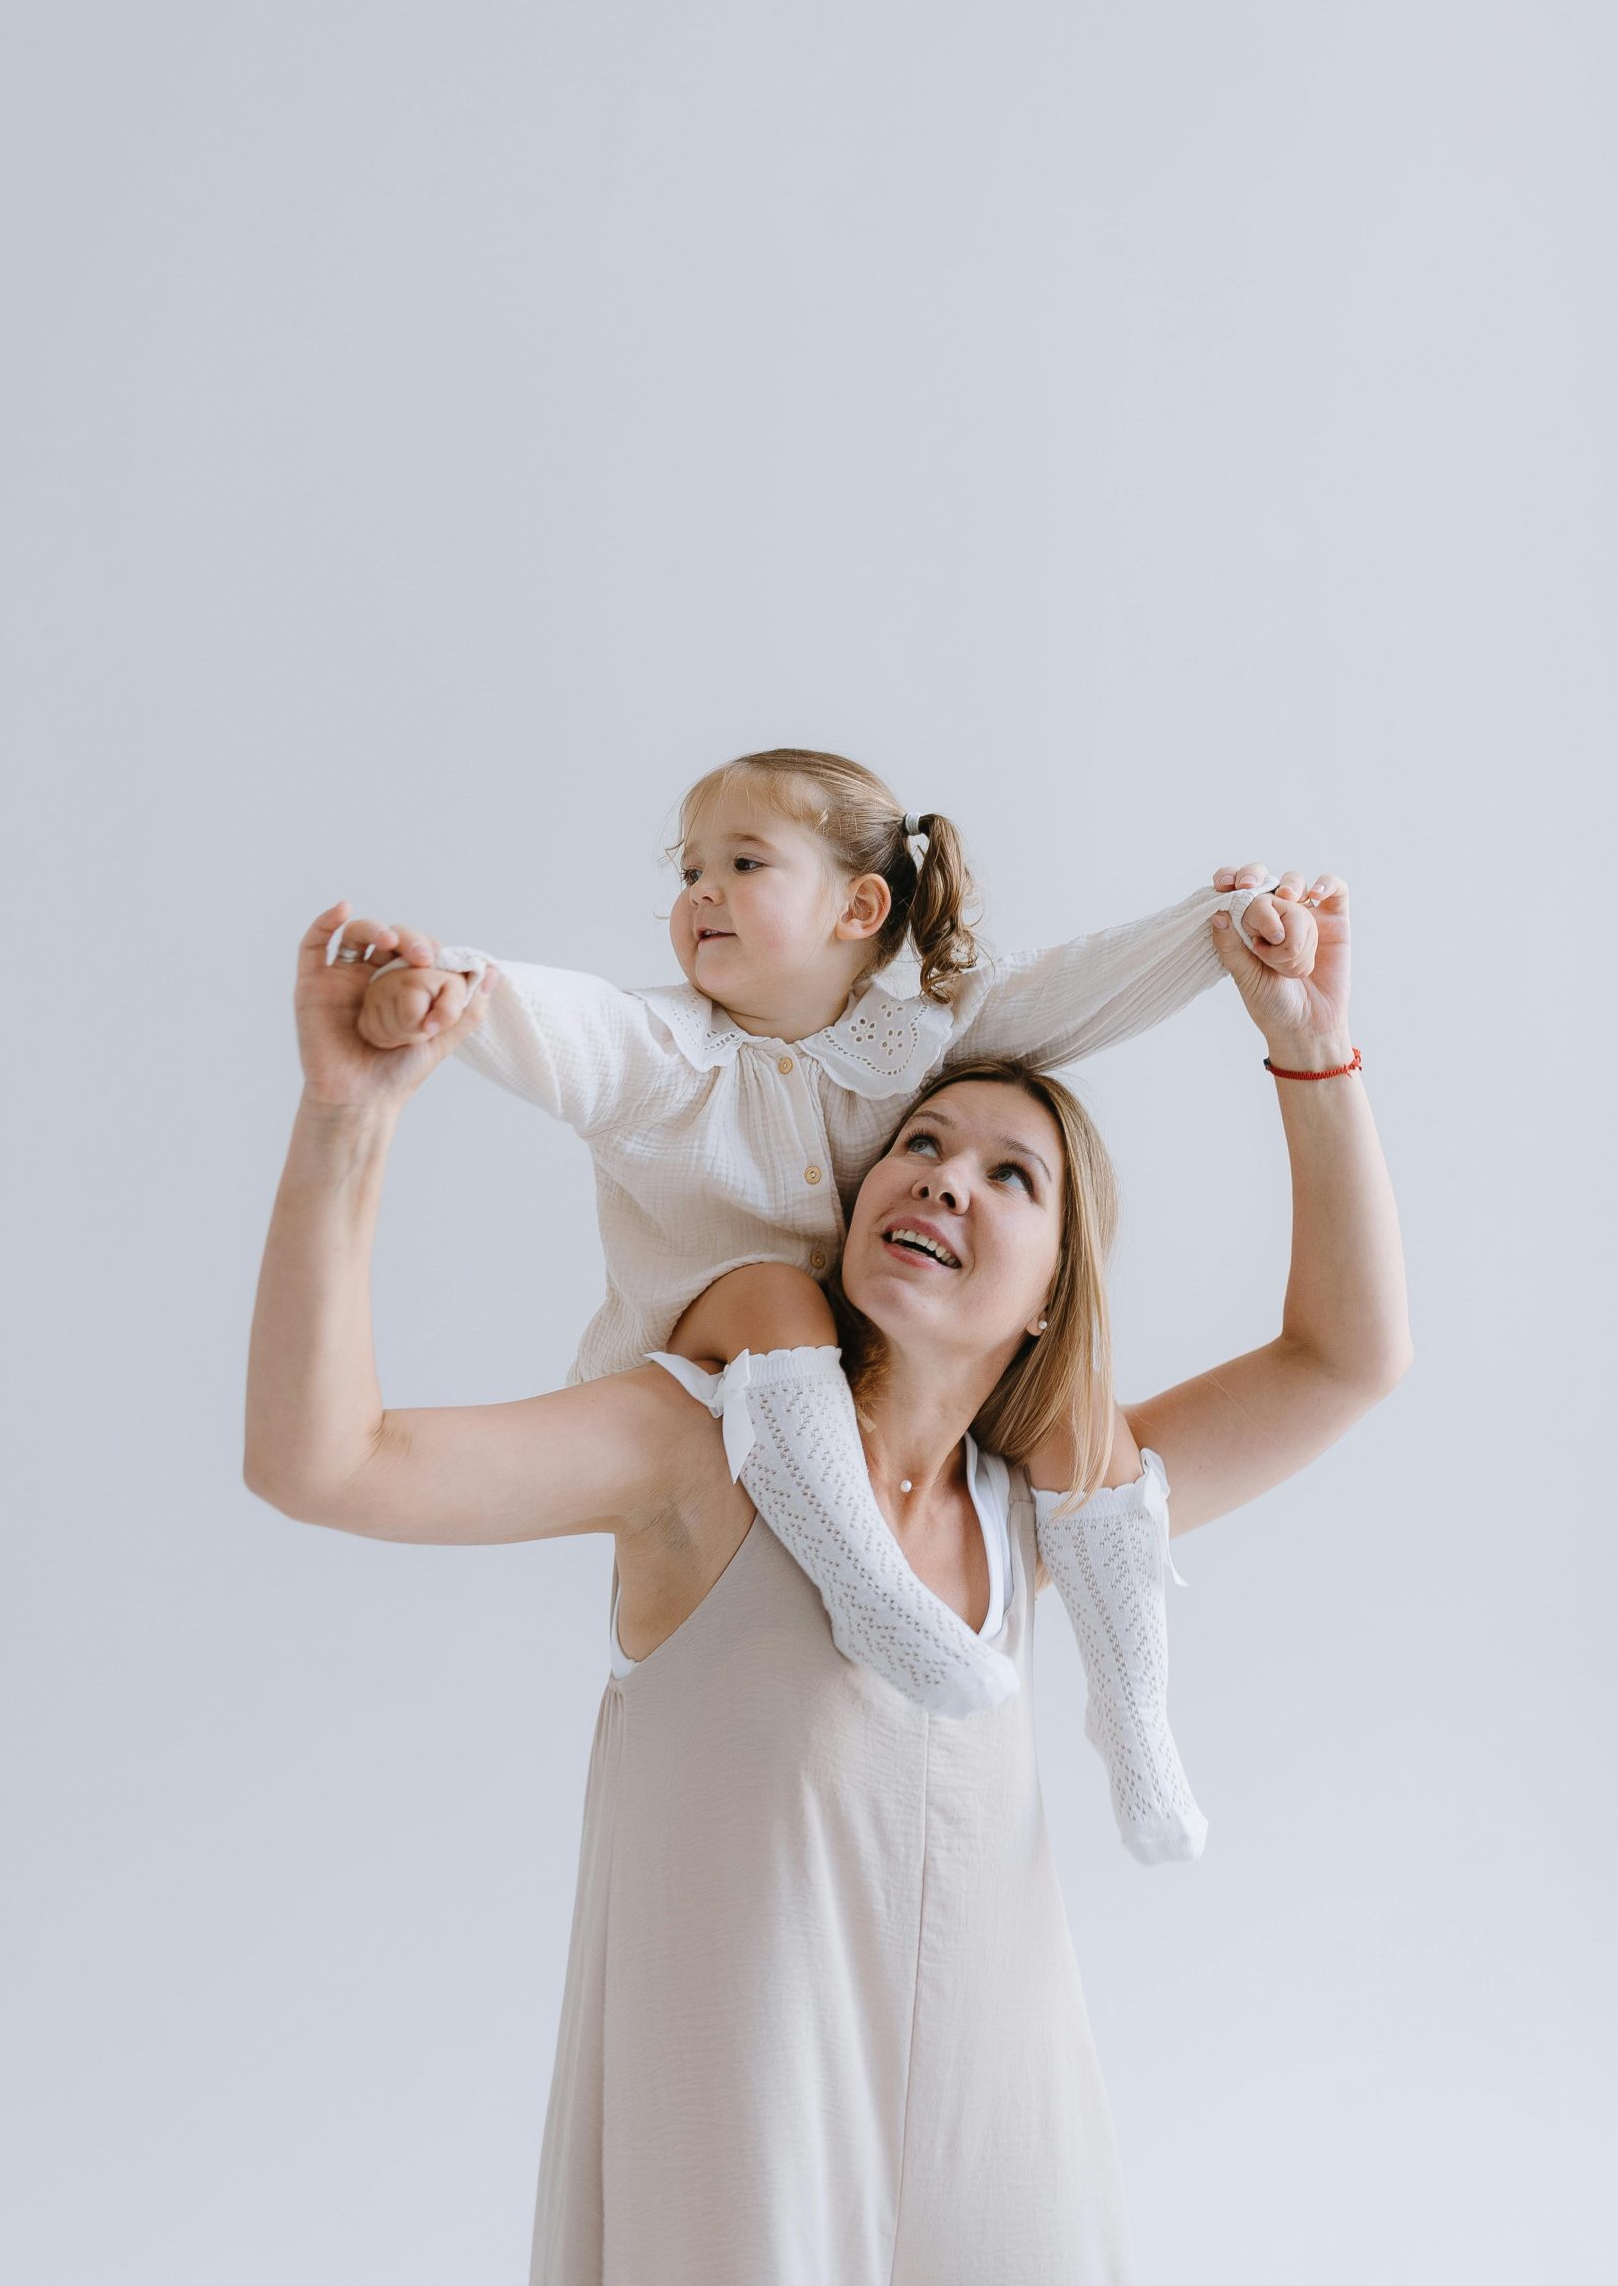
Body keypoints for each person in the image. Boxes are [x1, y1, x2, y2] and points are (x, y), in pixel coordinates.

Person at [245, 868, 1409, 2283]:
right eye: (919, 1143)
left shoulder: (1036, 1513)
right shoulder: (698, 1454)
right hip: (746, 2193)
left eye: (1010, 1175)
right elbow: (327, 1462)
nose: (943, 1176)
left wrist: (1309, 1047)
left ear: (1050, 1292)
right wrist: (348, 1121)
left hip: (1007, 2176)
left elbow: (1345, 1359)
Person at [341, 742, 1310, 1855]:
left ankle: (1135, 1724)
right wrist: (451, 990)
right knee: (771, 1290)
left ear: (858, 907)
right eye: (689, 870)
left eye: (742, 863)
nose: (701, 892)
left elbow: (1076, 987)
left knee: (1073, 1410)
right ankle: (873, 1593)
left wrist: (1221, 927)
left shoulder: (918, 1041)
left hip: (867, 1370)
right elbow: (561, 1022)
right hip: (709, 1367)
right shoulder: (658, 1055)